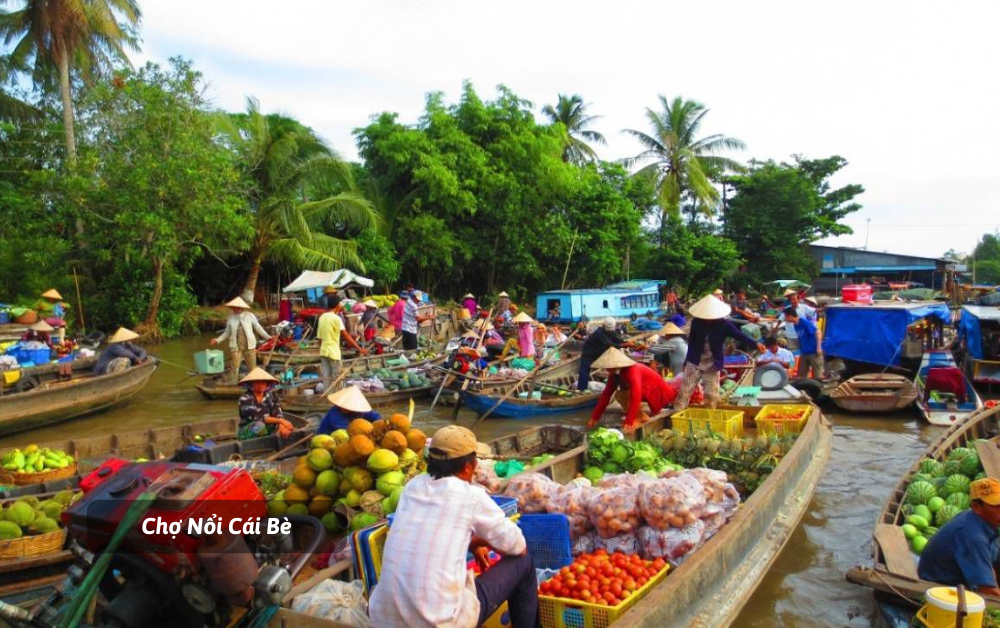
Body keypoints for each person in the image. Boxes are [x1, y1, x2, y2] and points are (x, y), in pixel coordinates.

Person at [369, 425, 539, 628]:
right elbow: (518, 546)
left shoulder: (412, 487)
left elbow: (430, 534)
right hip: (440, 623)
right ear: (469, 466)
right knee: (525, 563)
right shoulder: (471, 496)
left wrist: (473, 542)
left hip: (384, 618)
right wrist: (483, 541)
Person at [674, 295, 767, 411]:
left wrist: (756, 344)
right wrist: (686, 362)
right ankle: (677, 414)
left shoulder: (724, 324)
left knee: (711, 395)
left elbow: (739, 335)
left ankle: (710, 416)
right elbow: (692, 342)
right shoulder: (696, 322)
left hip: (713, 363)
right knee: (684, 391)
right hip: (695, 361)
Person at [917, 478, 1000, 597]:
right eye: (995, 506)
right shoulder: (974, 538)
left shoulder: (976, 518)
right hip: (942, 588)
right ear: (976, 507)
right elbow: (987, 590)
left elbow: (988, 562)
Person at [588, 348, 683, 433]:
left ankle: (637, 418)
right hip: (647, 392)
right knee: (620, 394)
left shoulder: (632, 370)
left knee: (624, 394)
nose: (606, 369)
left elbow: (635, 394)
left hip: (658, 393)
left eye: (608, 367)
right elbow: (606, 395)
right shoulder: (614, 375)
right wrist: (595, 416)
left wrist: (630, 420)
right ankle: (642, 416)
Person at [210, 297, 271, 383]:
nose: (236, 309)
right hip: (235, 347)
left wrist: (269, 337)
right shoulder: (231, 317)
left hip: (249, 346)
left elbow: (258, 328)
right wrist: (217, 340)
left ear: (242, 307)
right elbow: (227, 332)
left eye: (238, 307)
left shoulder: (249, 316)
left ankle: (253, 383)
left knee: (252, 367)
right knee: (234, 368)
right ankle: (233, 384)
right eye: (234, 307)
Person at [316, 295, 367, 383]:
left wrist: (321, 348)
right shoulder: (336, 318)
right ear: (337, 305)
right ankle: (336, 395)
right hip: (333, 353)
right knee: (337, 379)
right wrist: (359, 349)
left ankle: (328, 396)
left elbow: (319, 338)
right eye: (340, 304)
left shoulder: (322, 317)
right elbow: (346, 335)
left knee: (326, 378)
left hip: (324, 351)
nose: (341, 306)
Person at [237, 368, 293, 440]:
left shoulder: (272, 396)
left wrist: (281, 425)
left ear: (267, 384)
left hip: (267, 429)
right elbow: (258, 418)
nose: (260, 385)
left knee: (288, 427)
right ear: (251, 384)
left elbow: (278, 413)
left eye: (263, 382)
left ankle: (271, 438)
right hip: (249, 432)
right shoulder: (244, 398)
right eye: (257, 382)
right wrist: (281, 421)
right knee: (260, 425)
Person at [578, 317, 624, 391]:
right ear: (603, 325)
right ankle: (581, 389)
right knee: (584, 372)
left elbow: (617, 339)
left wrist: (624, 342)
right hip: (589, 354)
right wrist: (624, 345)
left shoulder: (612, 331)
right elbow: (609, 345)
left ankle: (615, 386)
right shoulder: (599, 333)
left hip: (600, 353)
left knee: (613, 369)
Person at [784, 307, 824, 378]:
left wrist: (819, 347)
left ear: (790, 316)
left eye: (785, 316)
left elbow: (817, 332)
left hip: (813, 351)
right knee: (801, 375)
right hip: (804, 352)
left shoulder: (804, 322)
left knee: (817, 376)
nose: (785, 319)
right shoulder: (795, 325)